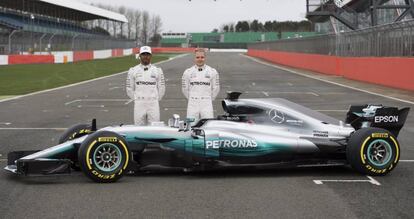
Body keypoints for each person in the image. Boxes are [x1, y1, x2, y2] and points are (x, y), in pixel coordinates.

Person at [126, 46, 165, 125]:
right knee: (138, 128)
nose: (145, 56)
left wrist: (156, 98)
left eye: (147, 54)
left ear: (151, 56)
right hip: (139, 103)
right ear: (140, 56)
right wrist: (136, 99)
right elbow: (129, 88)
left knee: (155, 128)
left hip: (153, 103)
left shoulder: (157, 70)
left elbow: (162, 88)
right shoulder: (133, 70)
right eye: (143, 54)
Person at [182, 48, 220, 122]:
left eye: (202, 57)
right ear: (195, 58)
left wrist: (208, 99)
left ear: (205, 58)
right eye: (197, 57)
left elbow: (216, 88)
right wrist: (191, 98)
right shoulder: (188, 72)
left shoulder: (212, 71)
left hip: (207, 103)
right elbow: (184, 89)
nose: (200, 59)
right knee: (191, 125)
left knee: (208, 125)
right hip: (192, 103)